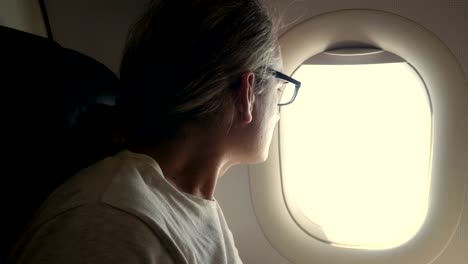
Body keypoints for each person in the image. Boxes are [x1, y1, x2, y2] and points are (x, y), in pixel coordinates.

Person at [10, 0, 301, 263]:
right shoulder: (109, 224)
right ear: (246, 93)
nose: (278, 110)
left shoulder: (187, 202)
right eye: (279, 87)